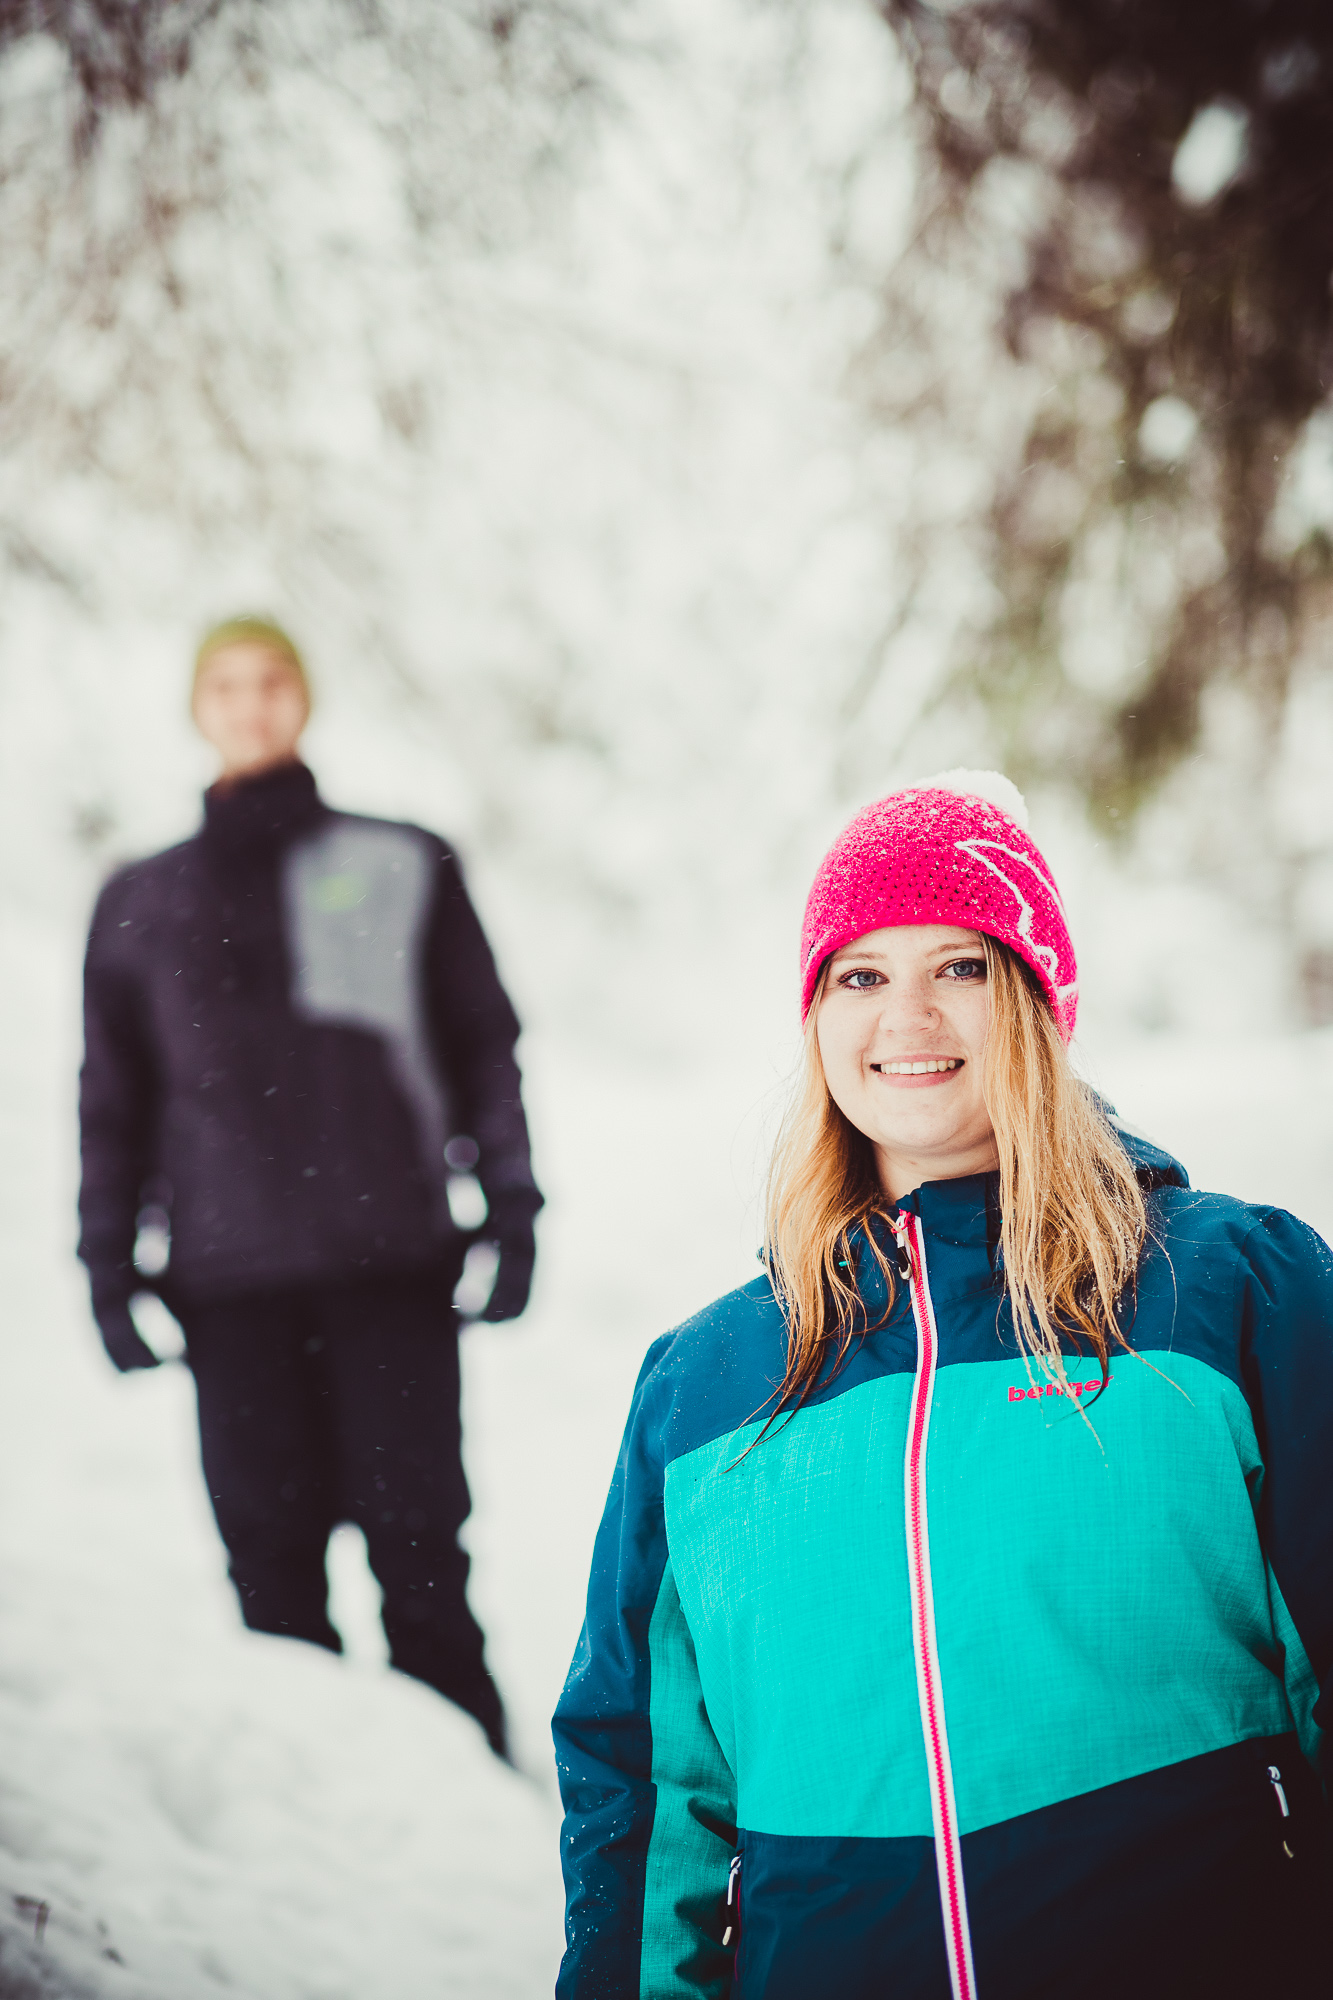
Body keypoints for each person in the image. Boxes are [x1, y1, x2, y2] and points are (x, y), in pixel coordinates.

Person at [552, 771, 1332, 1997]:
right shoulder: (703, 1389)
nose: (905, 1013)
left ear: (1035, 999)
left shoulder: (1231, 1293)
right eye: (859, 974)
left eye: (959, 966)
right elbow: (642, 1783)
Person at [79, 616, 541, 1759]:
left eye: (271, 679)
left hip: (390, 1267)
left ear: (303, 697)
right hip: (229, 1288)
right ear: (199, 706)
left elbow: (484, 1041)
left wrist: (515, 1206)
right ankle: (319, 1856)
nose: (249, 702)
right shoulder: (138, 897)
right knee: (272, 1582)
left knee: (423, 1560)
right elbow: (111, 1098)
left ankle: (476, 1820)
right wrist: (102, 1264)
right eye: (225, 684)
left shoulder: (402, 858)